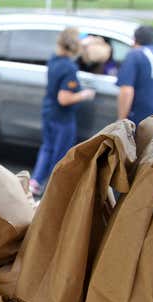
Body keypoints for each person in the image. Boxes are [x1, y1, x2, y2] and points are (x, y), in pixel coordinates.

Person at [30, 27, 95, 196]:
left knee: (47, 148)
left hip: (49, 111)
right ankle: (52, 190)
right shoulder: (69, 68)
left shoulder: (54, 60)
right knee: (60, 154)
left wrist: (82, 44)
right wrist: (84, 94)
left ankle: (35, 182)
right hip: (63, 117)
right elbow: (64, 98)